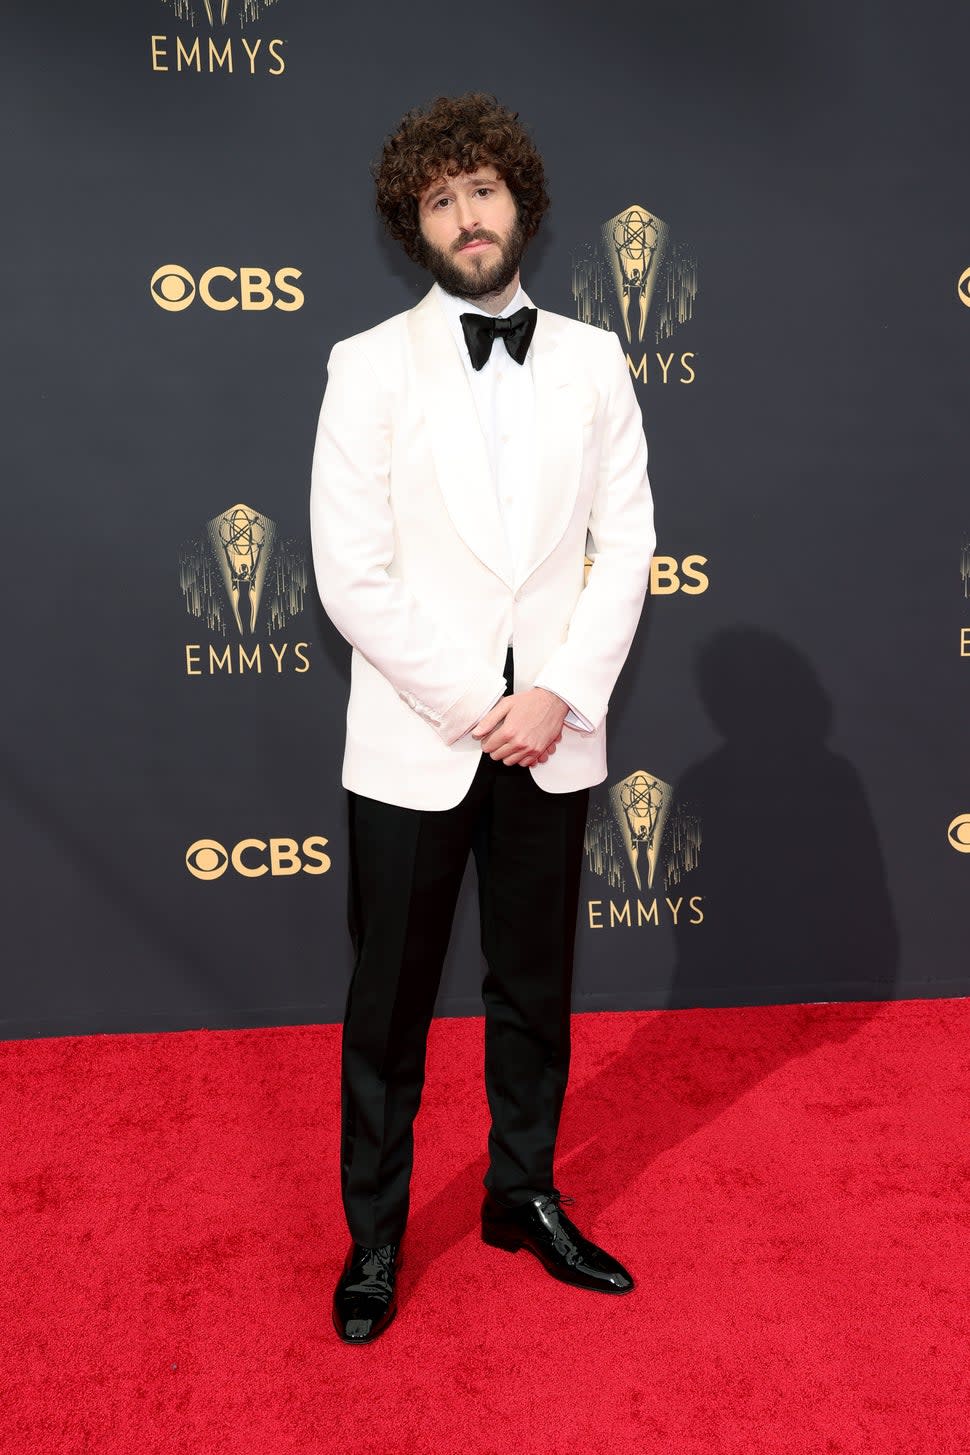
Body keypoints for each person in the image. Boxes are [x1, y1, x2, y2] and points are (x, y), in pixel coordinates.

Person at [309, 92, 655, 1344]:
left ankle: (522, 1194)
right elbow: (353, 575)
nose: (467, 216)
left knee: (535, 989)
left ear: (522, 203)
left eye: (484, 191)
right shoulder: (365, 364)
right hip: (419, 742)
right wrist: (477, 707)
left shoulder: (593, 360)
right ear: (416, 223)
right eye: (441, 198)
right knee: (388, 1007)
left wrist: (556, 694)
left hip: (553, 736)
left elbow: (628, 549)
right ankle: (378, 1236)